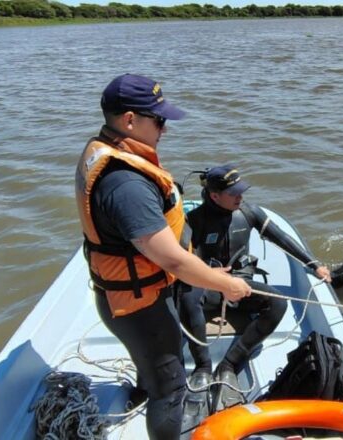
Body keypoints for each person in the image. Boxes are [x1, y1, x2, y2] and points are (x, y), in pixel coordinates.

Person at [74, 74, 251, 439]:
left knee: (155, 368)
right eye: (159, 120)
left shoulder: (104, 149)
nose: (164, 129)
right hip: (139, 304)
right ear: (128, 120)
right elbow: (171, 259)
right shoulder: (126, 183)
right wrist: (227, 285)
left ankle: (143, 386)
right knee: (171, 390)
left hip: (132, 294)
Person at [179, 164, 331, 422]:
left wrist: (313, 264)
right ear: (214, 196)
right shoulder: (194, 220)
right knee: (184, 297)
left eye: (241, 191)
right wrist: (214, 279)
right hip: (209, 288)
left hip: (242, 287)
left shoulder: (249, 212)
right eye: (234, 193)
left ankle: (229, 365)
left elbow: (281, 239)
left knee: (278, 304)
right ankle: (202, 367)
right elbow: (184, 260)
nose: (241, 197)